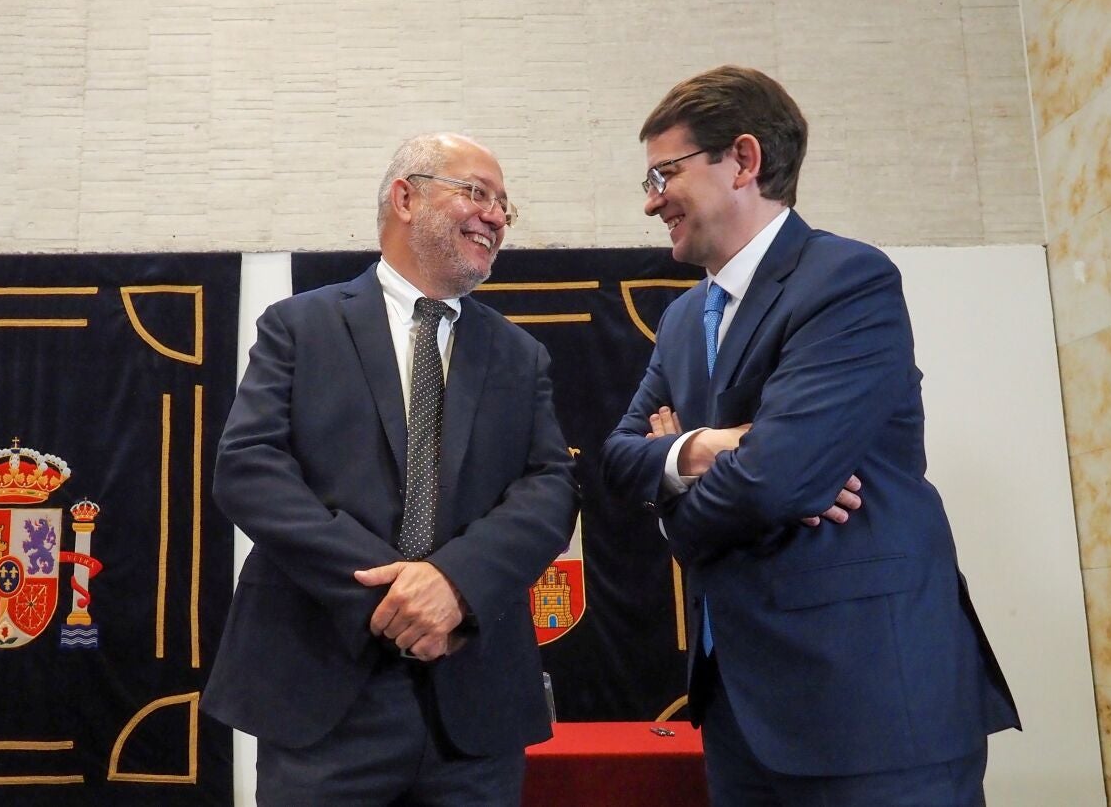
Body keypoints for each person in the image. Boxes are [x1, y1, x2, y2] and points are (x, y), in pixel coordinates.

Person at [600, 66, 1020, 806]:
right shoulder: (681, 320)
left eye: (666, 174)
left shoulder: (846, 279)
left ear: (743, 160)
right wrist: (709, 448)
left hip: (869, 707)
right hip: (739, 716)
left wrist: (679, 504)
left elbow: (775, 480)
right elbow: (618, 459)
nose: (651, 200)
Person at [203, 132, 577, 806]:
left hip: (473, 707)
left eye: (504, 205)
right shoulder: (299, 327)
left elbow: (550, 489)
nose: (496, 216)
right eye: (477, 193)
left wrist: (454, 583)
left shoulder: (520, 356)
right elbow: (249, 469)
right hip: (322, 697)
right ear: (406, 198)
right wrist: (396, 594)